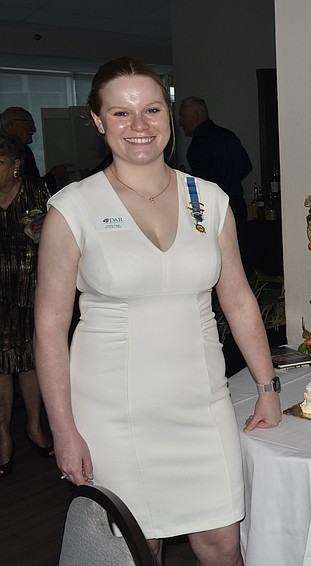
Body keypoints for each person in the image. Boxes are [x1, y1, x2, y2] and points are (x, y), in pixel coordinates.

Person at [34, 57, 281, 565]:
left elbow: (237, 299)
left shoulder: (208, 199)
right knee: (134, 549)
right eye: (121, 114)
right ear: (99, 122)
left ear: (168, 116)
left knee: (223, 546)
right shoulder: (72, 208)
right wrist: (63, 428)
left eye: (151, 109)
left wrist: (267, 386)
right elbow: (49, 326)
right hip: (113, 413)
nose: (139, 126)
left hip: (201, 402)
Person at [0, 130, 54, 476]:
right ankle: (3, 437)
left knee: (30, 360)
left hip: (31, 287)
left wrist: (37, 229)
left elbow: (55, 238)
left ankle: (34, 427)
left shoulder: (36, 190)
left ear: (16, 165)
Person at [178, 96, 252, 233]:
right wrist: (230, 180)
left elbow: (200, 181)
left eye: (182, 116)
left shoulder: (198, 144)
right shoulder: (229, 135)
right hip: (237, 205)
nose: (180, 122)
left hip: (214, 209)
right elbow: (247, 165)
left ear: (195, 116)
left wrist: (183, 176)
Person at [0, 107, 72, 193]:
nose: (34, 130)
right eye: (30, 125)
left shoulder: (23, 150)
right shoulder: (20, 151)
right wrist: (53, 176)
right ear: (12, 124)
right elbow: (31, 190)